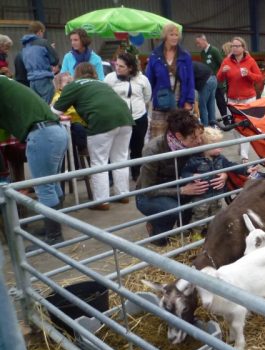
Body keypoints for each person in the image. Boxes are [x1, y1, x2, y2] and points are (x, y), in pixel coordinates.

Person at [52, 63, 134, 210]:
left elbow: (55, 111)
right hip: (125, 119)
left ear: (76, 73)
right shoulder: (101, 84)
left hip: (101, 121)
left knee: (99, 162)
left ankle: (101, 201)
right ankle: (123, 195)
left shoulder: (74, 85)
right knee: (120, 159)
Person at [0, 75, 68, 245]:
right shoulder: (6, 83)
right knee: (52, 184)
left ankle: (54, 236)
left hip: (41, 134)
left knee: (44, 187)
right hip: (54, 130)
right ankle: (52, 227)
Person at [135, 109, 207, 246]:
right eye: (193, 138)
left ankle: (186, 234)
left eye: (200, 136)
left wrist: (224, 174)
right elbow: (147, 189)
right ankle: (157, 235)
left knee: (204, 195)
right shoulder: (153, 150)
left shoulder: (194, 143)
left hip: (179, 184)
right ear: (179, 136)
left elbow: (213, 160)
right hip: (150, 194)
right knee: (173, 210)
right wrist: (182, 190)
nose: (199, 141)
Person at [181, 127, 256, 235]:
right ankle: (196, 237)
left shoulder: (220, 158)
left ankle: (213, 234)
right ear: (205, 147)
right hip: (201, 198)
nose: (220, 147)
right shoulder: (194, 161)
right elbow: (184, 172)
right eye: (216, 145)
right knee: (199, 218)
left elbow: (231, 165)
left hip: (216, 196)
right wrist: (191, 176)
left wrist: (246, 170)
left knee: (216, 217)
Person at [105, 52, 152, 181]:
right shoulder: (109, 78)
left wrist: (138, 107)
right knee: (115, 149)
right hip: (117, 118)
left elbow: (147, 96)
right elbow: (105, 95)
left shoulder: (142, 79)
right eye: (116, 65)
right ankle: (111, 177)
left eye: (121, 66)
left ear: (130, 68)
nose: (117, 68)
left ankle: (136, 174)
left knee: (137, 148)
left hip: (138, 117)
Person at [146, 23, 195, 139]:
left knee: (179, 134)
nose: (174, 37)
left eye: (176, 35)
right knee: (159, 136)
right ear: (165, 36)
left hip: (180, 101)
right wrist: (147, 100)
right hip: (161, 101)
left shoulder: (185, 55)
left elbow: (190, 79)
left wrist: (189, 100)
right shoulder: (155, 55)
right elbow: (149, 80)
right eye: (171, 34)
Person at [217, 37, 262, 162]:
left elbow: (259, 78)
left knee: (245, 127)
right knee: (236, 127)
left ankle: (244, 156)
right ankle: (240, 144)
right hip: (232, 99)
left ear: (243, 47)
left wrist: (248, 74)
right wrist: (222, 71)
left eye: (237, 46)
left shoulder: (250, 61)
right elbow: (219, 78)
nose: (235, 48)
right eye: (233, 46)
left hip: (248, 99)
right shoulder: (226, 61)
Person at [20, 21, 59, 103]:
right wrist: (51, 50)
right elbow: (55, 60)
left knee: (37, 105)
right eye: (43, 32)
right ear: (40, 31)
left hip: (31, 80)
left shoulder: (25, 46)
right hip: (44, 78)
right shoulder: (43, 42)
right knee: (46, 106)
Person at [195, 34, 227, 118]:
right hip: (207, 82)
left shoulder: (214, 50)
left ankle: (226, 119)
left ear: (203, 40)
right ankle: (210, 120)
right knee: (209, 102)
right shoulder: (202, 53)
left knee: (220, 101)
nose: (198, 45)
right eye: (196, 44)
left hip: (217, 80)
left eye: (198, 43)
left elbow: (222, 64)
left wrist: (220, 77)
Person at [193, 61, 217, 126]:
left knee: (202, 106)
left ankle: (205, 128)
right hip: (213, 78)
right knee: (211, 105)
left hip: (206, 82)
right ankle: (213, 126)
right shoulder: (192, 63)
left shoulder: (185, 67)